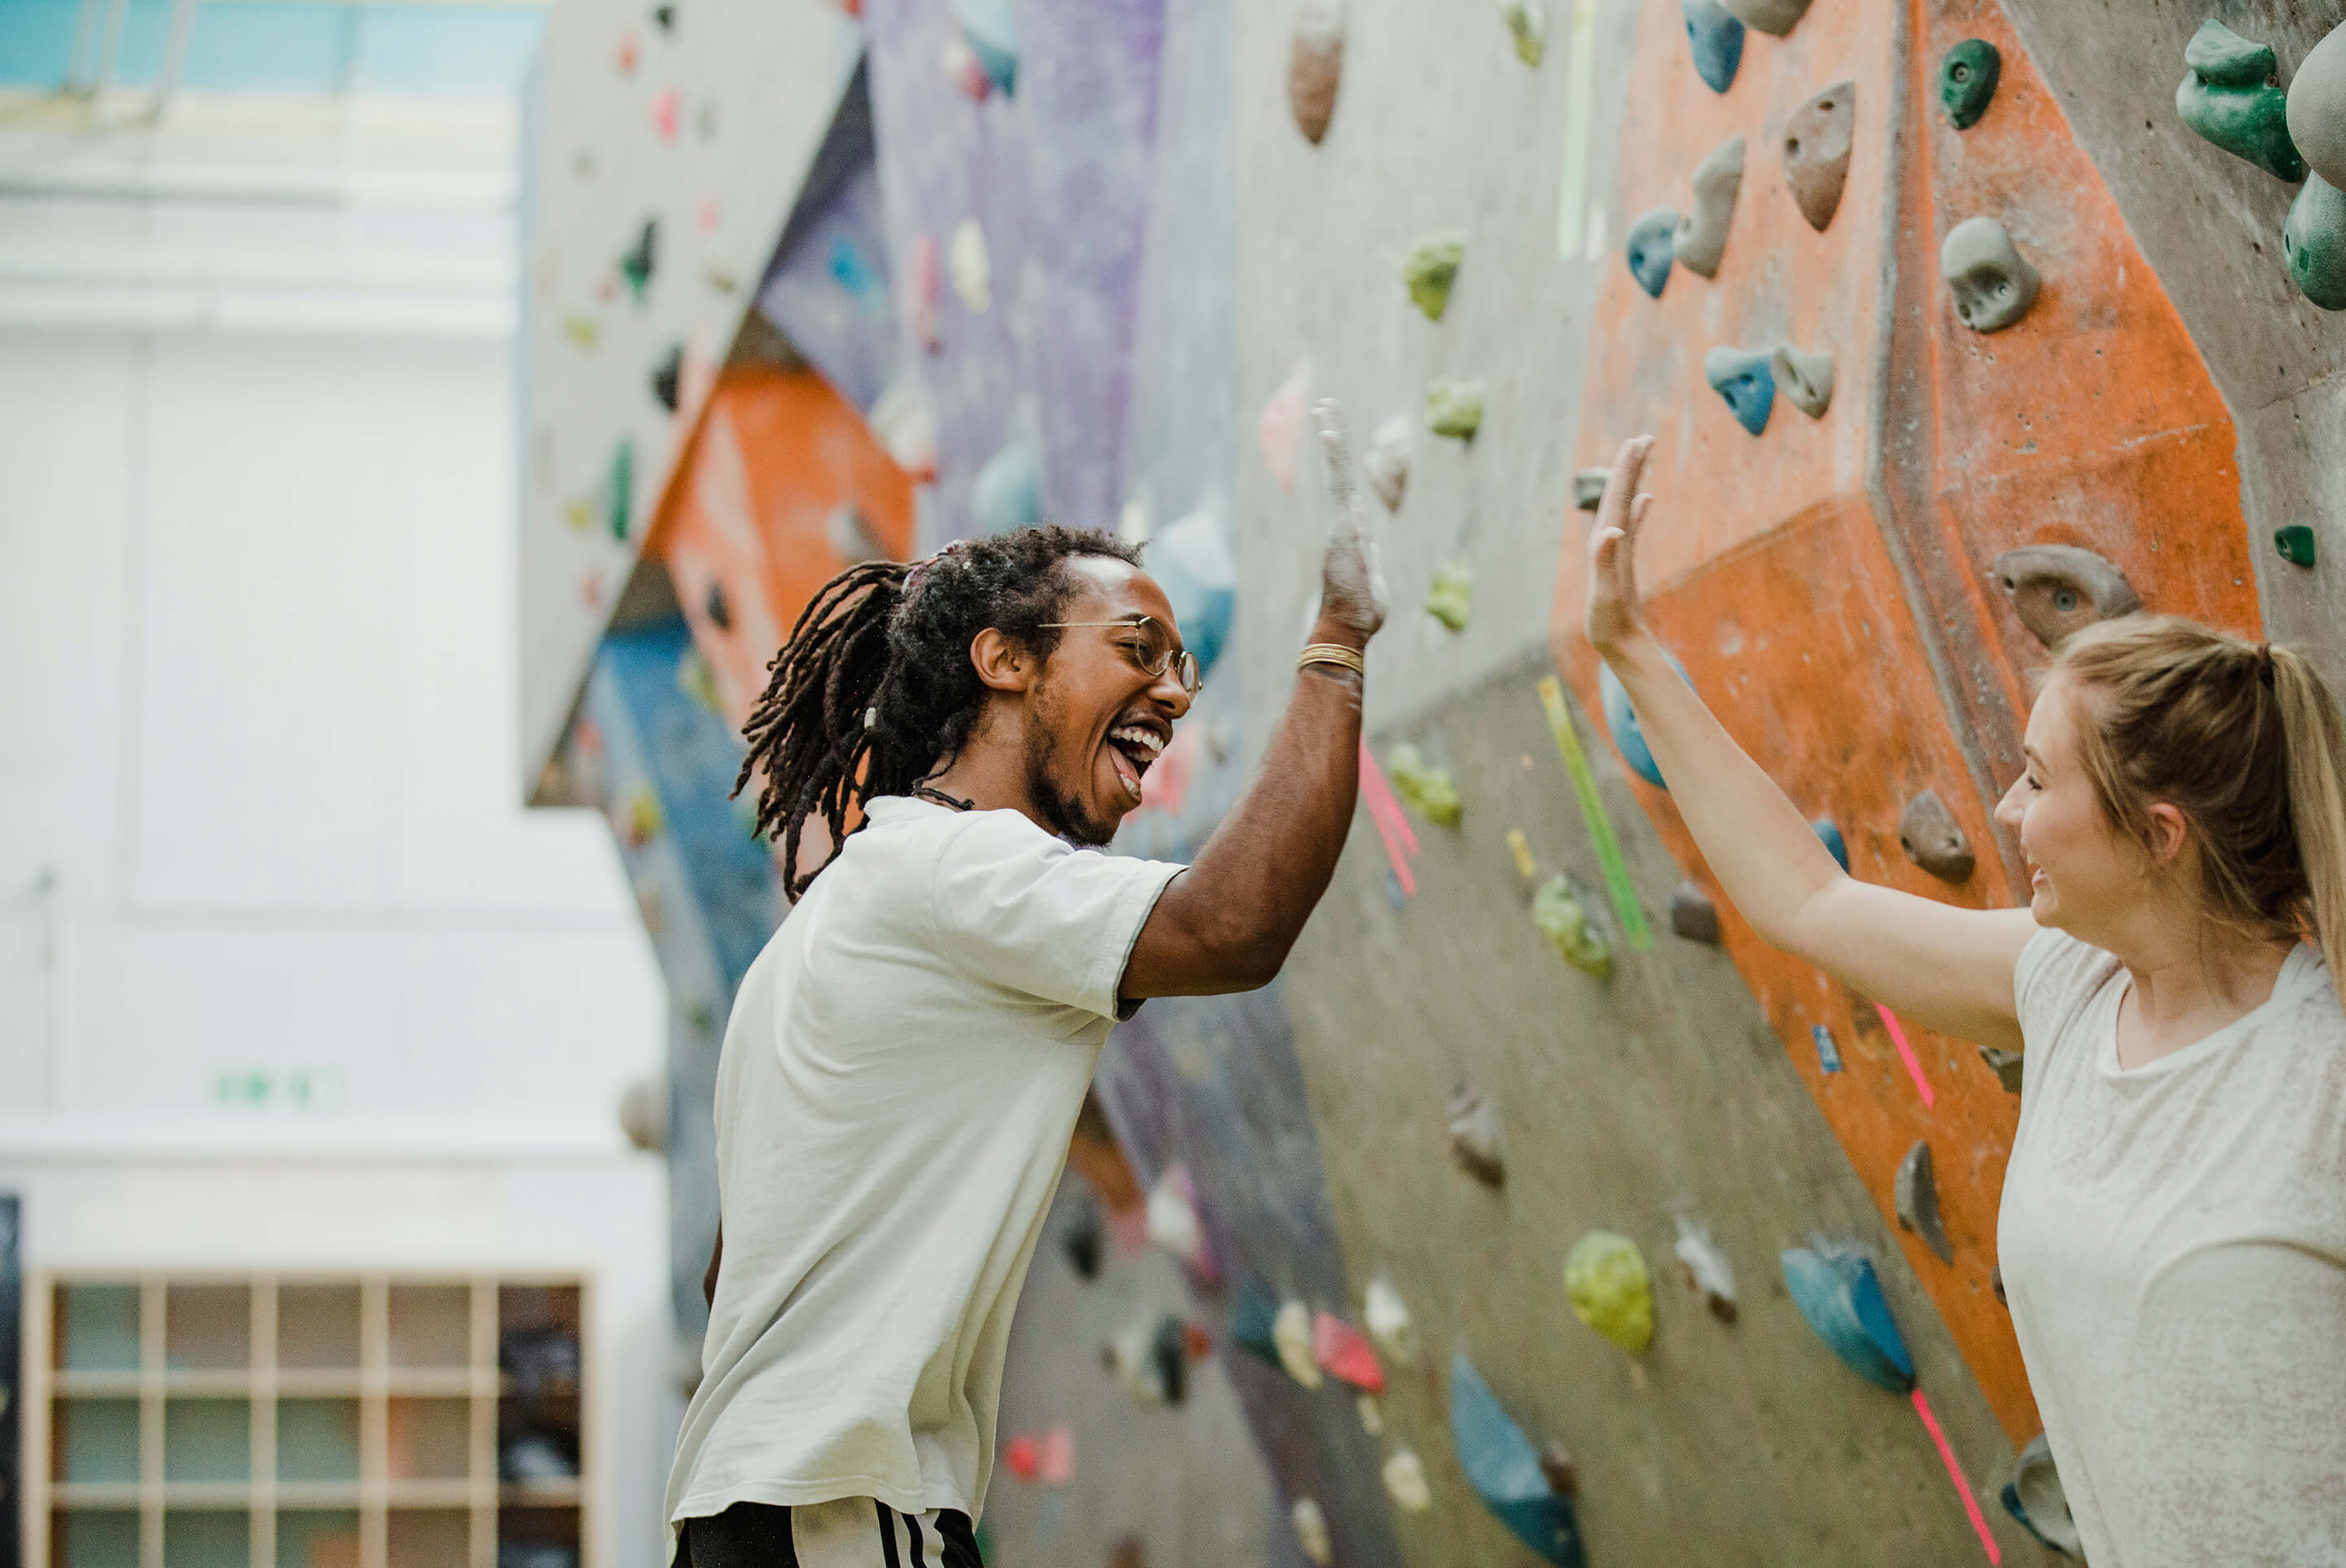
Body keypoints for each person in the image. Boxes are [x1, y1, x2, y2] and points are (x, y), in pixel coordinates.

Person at [1570, 436, 2346, 1566]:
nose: (2007, 807)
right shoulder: (2070, 984)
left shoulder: (2319, 1075)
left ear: (2157, 835)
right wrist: (1631, 650)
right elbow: (1808, 897)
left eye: (2039, 777)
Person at [665, 405, 1388, 1567]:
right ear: (1004, 660)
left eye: (1181, 661)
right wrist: (1340, 638)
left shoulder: (845, 910)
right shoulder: (959, 868)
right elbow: (1235, 924)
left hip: (763, 1505)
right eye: (1137, 649)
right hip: (843, 1503)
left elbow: (729, 1268)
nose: (1175, 690)